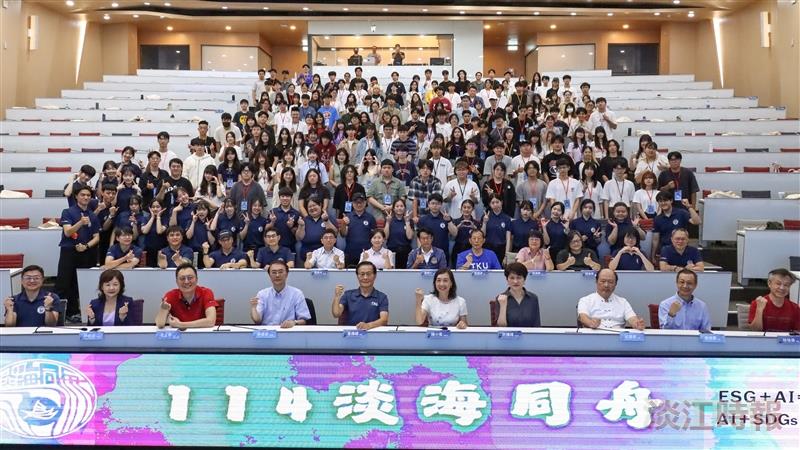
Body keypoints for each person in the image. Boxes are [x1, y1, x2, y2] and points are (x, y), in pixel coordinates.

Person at [56, 185, 100, 322]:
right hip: (69, 251)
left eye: (88, 195)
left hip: (86, 252)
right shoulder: (68, 212)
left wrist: (86, 246)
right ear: (76, 196)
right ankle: (60, 314)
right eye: (83, 195)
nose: (86, 197)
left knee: (79, 283)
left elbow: (97, 237)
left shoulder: (92, 215)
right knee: (64, 283)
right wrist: (80, 222)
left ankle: (76, 312)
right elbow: (68, 232)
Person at [578, 268, 645, 330]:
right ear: (596, 281)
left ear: (615, 284)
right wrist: (591, 323)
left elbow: (632, 318)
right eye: (603, 281)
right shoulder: (585, 300)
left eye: (610, 282)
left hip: (618, 337)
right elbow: (583, 317)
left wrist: (637, 324)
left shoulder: (623, 301)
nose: (606, 285)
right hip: (595, 336)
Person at [249, 260, 310, 328]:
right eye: (274, 272)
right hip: (268, 333)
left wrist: (294, 322)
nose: (277, 275)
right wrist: (253, 308)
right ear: (269, 275)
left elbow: (304, 320)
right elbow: (257, 320)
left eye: (280, 272)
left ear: (286, 274)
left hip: (288, 332)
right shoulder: (262, 294)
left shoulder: (297, 294)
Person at [155, 263, 217, 329]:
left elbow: (211, 321)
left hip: (202, 335)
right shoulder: (170, 295)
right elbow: (159, 324)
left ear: (196, 279)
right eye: (182, 278)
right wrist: (163, 309)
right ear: (176, 282)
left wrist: (181, 325)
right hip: (180, 337)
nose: (186, 282)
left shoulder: (206, 292)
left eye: (190, 278)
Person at [331, 261, 389, 330]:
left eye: (368, 274)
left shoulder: (382, 297)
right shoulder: (348, 295)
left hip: (372, 333)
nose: (365, 277)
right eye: (362, 274)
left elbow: (384, 320)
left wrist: (368, 326)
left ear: (375, 276)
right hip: (350, 335)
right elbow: (336, 314)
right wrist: (337, 297)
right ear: (357, 276)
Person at [652, 193, 701, 259]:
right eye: (660, 201)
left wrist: (689, 207)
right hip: (665, 251)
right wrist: (652, 255)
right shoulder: (657, 219)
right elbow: (655, 239)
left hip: (682, 250)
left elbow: (697, 222)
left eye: (665, 200)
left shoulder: (681, 213)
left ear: (671, 201)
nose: (663, 203)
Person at [495, 262, 541, 327]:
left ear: (524, 280)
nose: (515, 281)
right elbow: (501, 327)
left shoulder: (533, 298)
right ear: (507, 280)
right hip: (509, 336)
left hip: (529, 336)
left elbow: (536, 325)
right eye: (512, 278)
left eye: (519, 278)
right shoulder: (500, 298)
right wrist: (503, 306)